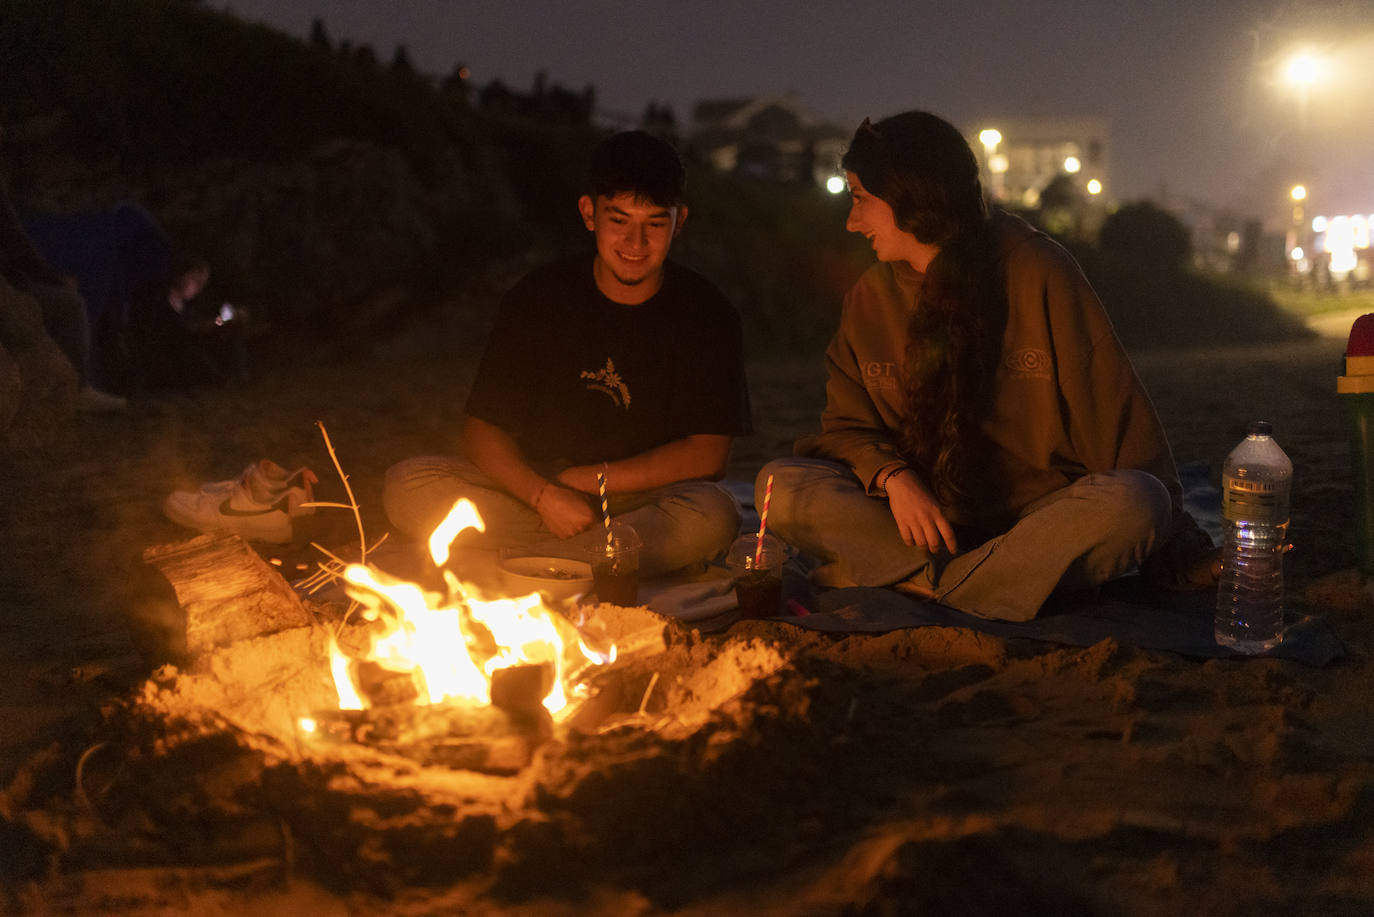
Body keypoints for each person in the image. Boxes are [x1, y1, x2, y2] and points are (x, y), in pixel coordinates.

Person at [758, 111, 1215, 622]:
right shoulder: (871, 296)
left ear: (911, 196)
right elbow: (844, 430)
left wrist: (1174, 534)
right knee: (780, 487)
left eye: (861, 198)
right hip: (918, 527)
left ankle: (930, 586)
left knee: (1139, 501)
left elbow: (1115, 413)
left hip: (1035, 525)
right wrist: (893, 477)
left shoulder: (1036, 270)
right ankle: (984, 584)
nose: (851, 220)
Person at [383, 130, 751, 578]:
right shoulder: (540, 296)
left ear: (680, 221)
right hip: (532, 492)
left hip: (643, 502)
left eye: (654, 223)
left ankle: (530, 566)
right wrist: (542, 495)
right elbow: (482, 429)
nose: (636, 244)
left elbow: (707, 455)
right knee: (407, 484)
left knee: (712, 515)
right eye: (619, 221)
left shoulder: (706, 311)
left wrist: (592, 479)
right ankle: (595, 563)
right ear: (589, 213)